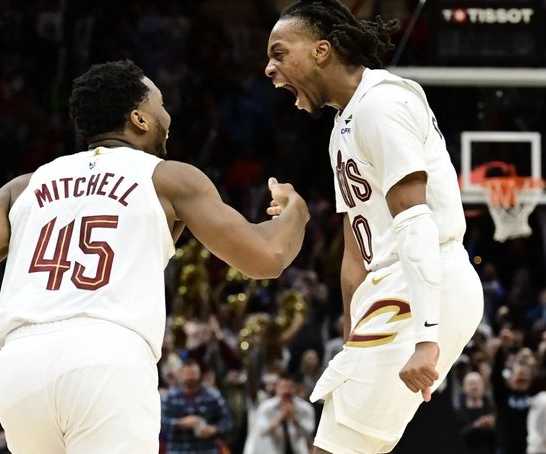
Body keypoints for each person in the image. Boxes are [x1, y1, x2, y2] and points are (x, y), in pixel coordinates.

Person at [0, 60, 310, 454]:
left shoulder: (25, 186)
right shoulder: (169, 178)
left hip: (21, 367)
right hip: (107, 358)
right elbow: (267, 257)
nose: (168, 117)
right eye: (161, 105)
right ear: (139, 119)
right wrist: (295, 214)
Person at [263, 1, 483, 452]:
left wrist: (426, 337)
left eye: (279, 53)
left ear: (322, 50)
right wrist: (352, 340)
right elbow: (354, 254)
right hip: (391, 291)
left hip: (424, 283)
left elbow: (416, 222)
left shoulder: (382, 104)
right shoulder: (344, 124)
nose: (269, 69)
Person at [160, 359, 233, 454]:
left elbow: (228, 421)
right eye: (187, 374)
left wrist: (214, 429)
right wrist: (181, 423)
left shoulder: (213, 396)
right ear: (180, 375)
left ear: (199, 374)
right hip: (178, 450)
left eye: (193, 374)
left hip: (207, 450)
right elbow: (160, 423)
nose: (190, 377)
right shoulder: (169, 397)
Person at [244, 373, 315, 454]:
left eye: (290, 387)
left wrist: (295, 420)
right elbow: (261, 431)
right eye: (283, 387)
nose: (286, 391)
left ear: (295, 388)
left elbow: (309, 432)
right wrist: (280, 418)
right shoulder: (266, 407)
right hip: (272, 450)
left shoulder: (305, 408)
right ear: (277, 388)